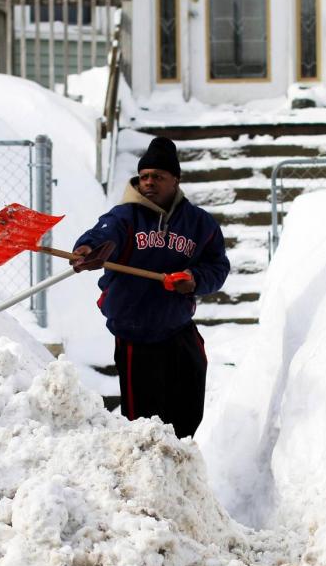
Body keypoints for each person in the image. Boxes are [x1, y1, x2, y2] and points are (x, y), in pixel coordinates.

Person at [70, 137, 230, 438]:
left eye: (157, 176)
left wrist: (194, 279)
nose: (148, 182)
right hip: (134, 334)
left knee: (188, 410)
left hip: (177, 327)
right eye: (144, 177)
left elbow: (217, 267)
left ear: (175, 180)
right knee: (143, 425)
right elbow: (103, 234)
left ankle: (180, 465)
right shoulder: (125, 216)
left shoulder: (199, 224)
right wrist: (87, 250)